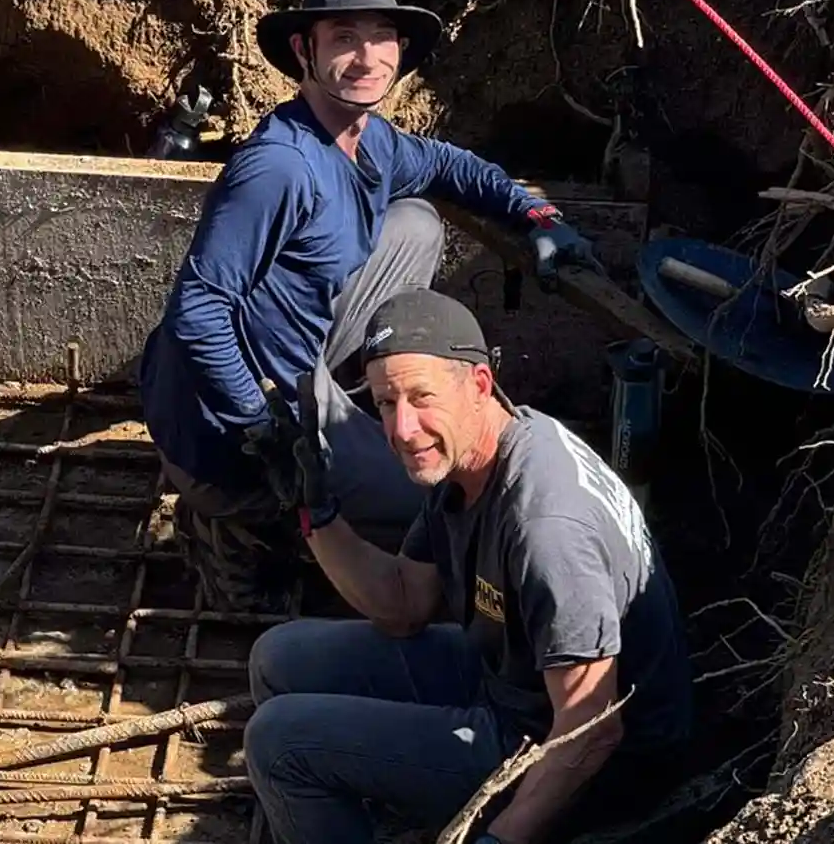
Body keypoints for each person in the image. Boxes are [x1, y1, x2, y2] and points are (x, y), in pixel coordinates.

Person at [136, 0, 600, 614]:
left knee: (414, 222)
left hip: (296, 361)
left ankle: (345, 418)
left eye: (382, 36)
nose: (367, 57)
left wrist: (537, 215)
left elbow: (449, 165)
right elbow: (197, 311)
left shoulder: (367, 140)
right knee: (432, 488)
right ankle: (237, 530)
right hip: (219, 430)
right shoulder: (279, 168)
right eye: (344, 37)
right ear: (304, 50)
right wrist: (265, 432)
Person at [244, 288, 693, 844]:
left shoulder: (546, 527)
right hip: (512, 682)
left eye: (421, 397)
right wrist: (314, 510)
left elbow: (591, 731)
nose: (403, 429)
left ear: (479, 384)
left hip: (588, 763)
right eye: (386, 404)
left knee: (279, 744)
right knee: (278, 658)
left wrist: (497, 840)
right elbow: (404, 603)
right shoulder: (472, 459)